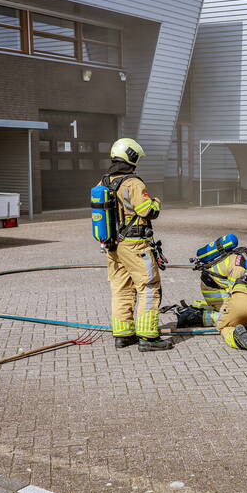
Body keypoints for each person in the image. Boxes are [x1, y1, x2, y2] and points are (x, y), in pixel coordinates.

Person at [100, 137, 172, 351]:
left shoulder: (103, 182)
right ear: (131, 157)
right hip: (135, 245)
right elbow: (148, 211)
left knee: (121, 288)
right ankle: (148, 337)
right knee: (149, 287)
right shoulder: (133, 183)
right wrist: (157, 202)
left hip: (113, 246)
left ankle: (123, 335)